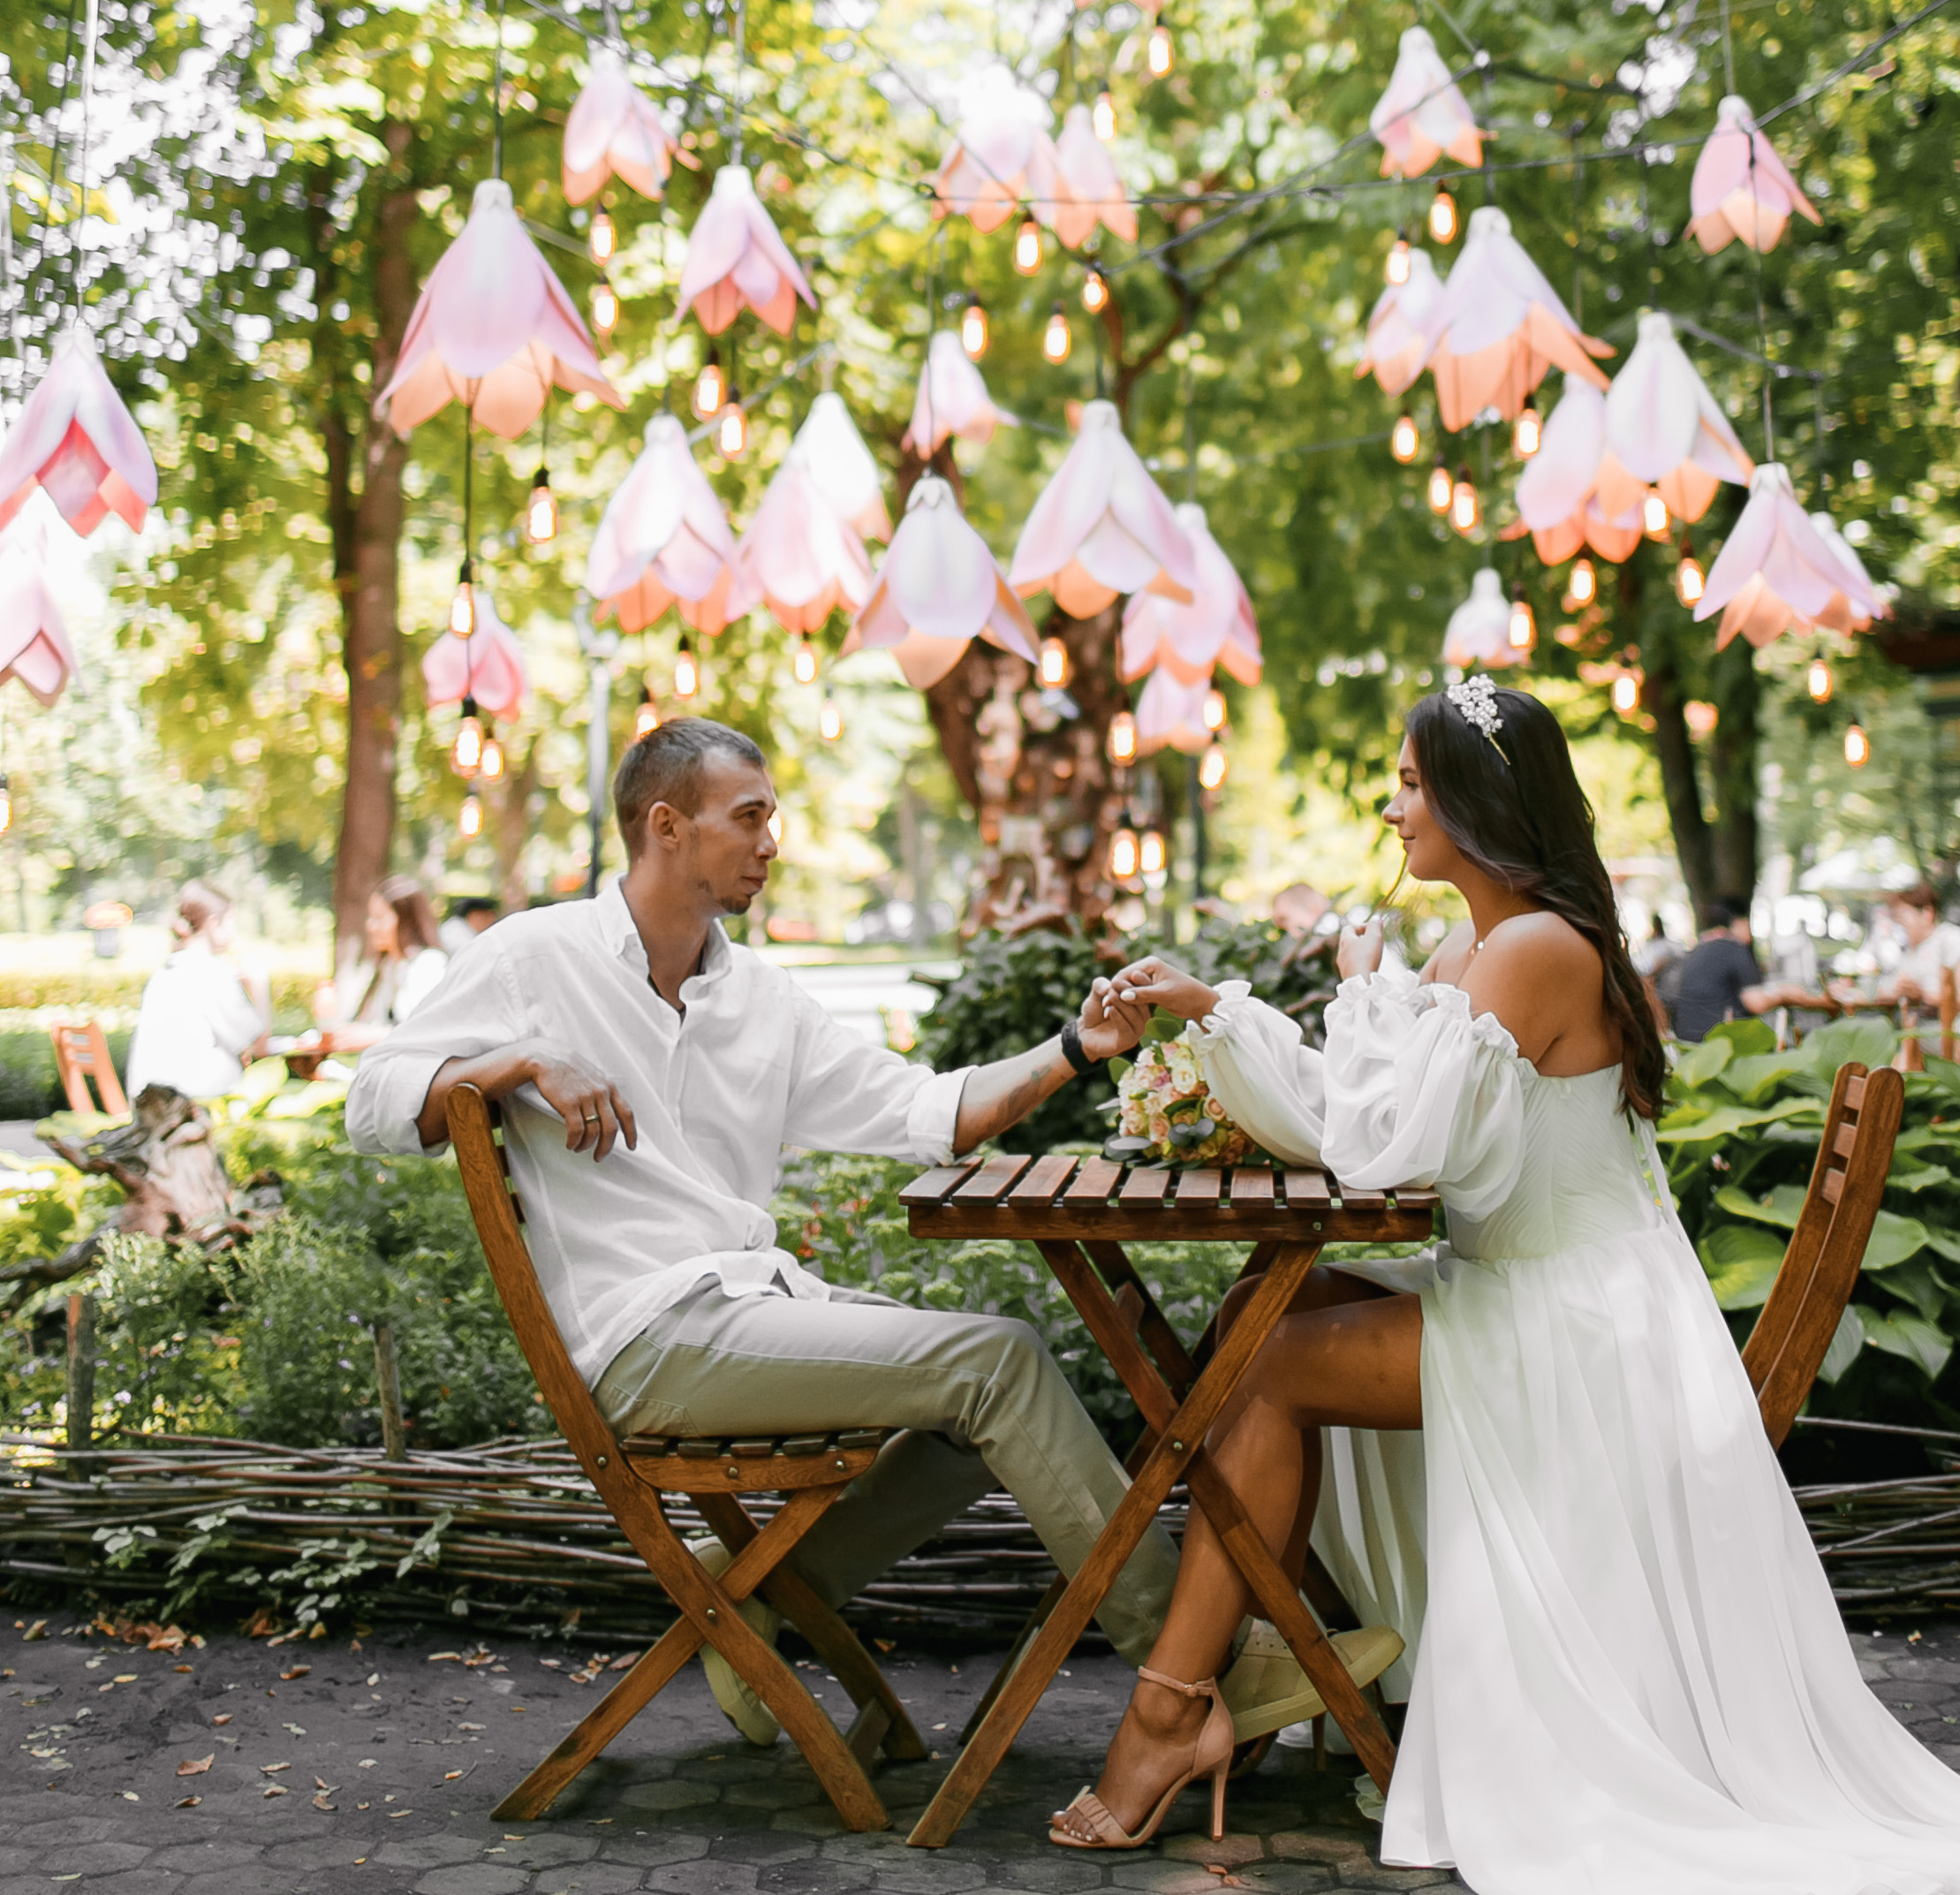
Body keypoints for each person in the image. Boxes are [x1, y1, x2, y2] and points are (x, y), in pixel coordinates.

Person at [1047, 676, 1960, 1895]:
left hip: (1573, 1327)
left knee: (1275, 1362)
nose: (1391, 807)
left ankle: (1175, 1710)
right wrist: (1221, 1010)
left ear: (1472, 800)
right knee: (1273, 1311)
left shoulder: (1531, 951)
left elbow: (1382, 1153)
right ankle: (1260, 1669)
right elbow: (1376, 1114)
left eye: (1410, 782)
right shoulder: (1484, 943)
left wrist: (1255, 1010)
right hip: (1538, 1292)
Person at [345, 718, 1386, 1747]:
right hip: (642, 1338)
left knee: (969, 1410)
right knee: (1001, 1364)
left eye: (772, 819)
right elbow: (373, 1101)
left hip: (748, 1307)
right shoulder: (536, 956)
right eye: (746, 819)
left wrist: (1079, 1046)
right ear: (666, 826)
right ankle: (1189, 1662)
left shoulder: (760, 997)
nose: (770, 843)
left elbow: (928, 1113)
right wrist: (520, 1060)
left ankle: (757, 1599)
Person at [125, 883, 271, 1101]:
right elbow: (260, 1047)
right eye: (231, 922)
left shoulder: (164, 973)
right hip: (194, 1104)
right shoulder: (212, 972)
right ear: (213, 923)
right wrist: (259, 985)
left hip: (149, 1103)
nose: (234, 931)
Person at [1835, 877, 1960, 1033]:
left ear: (1926, 913)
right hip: (1922, 1031)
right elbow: (1892, 990)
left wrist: (1923, 997)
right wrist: (1855, 990)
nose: (1898, 923)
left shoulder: (1953, 940)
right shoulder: (1913, 950)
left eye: (1901, 916)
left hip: (1958, 1033)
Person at [317, 878, 452, 1055]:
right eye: (370, 917)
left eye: (379, 918)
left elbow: (429, 1032)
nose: (370, 926)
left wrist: (377, 1037)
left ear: (406, 920)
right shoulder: (389, 966)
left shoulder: (428, 964)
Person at [1669, 895, 1766, 1040]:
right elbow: (1756, 1002)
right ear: (1737, 921)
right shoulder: (1733, 948)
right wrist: (1788, 996)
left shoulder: (1695, 950)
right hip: (1720, 1040)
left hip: (1687, 1039)